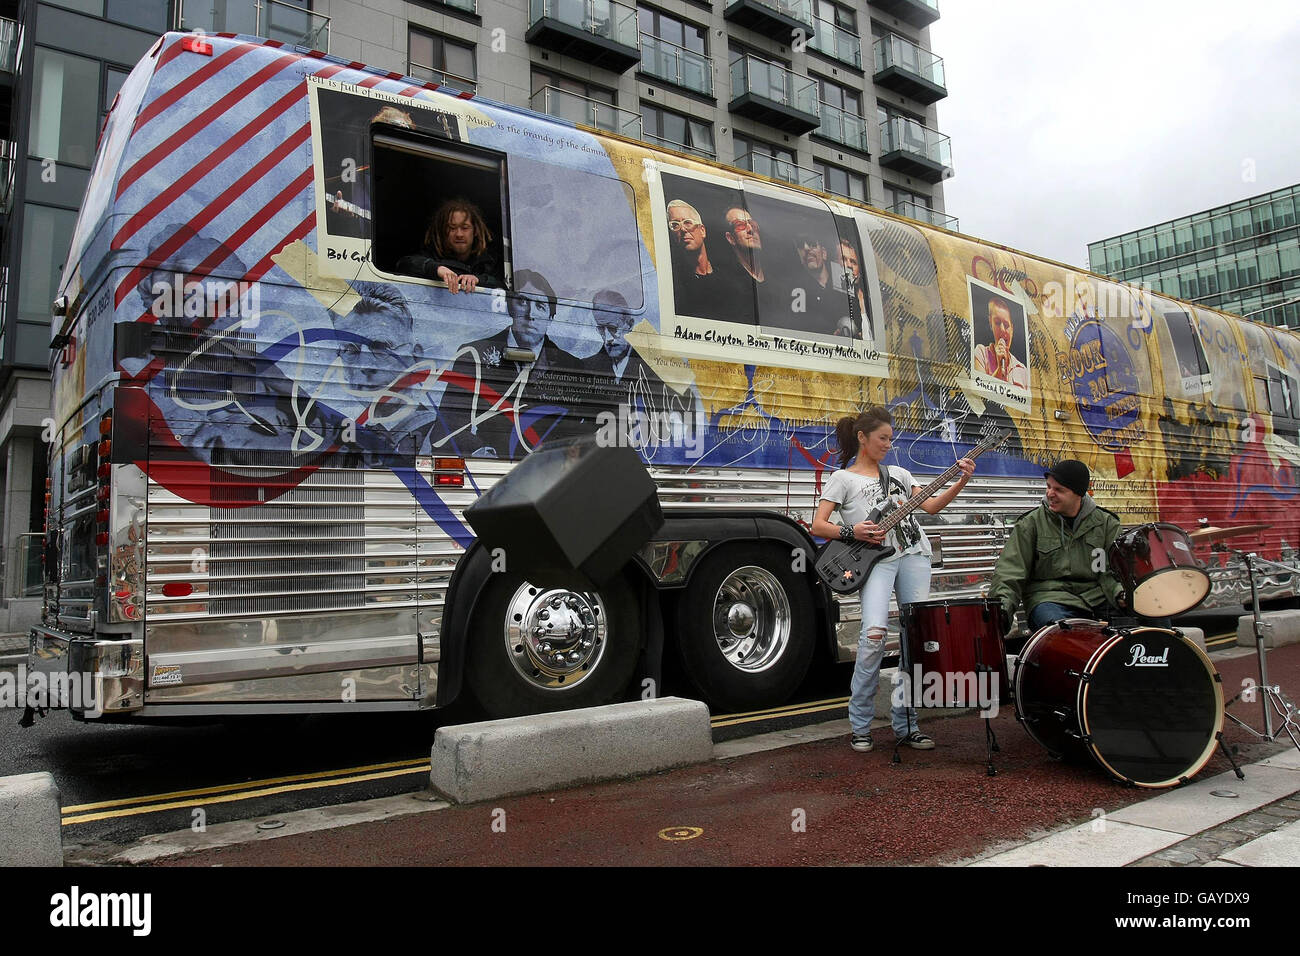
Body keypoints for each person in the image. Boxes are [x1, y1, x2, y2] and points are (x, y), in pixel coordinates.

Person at [811, 406, 975, 753]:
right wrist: (851, 529)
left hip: (914, 555)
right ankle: (860, 725)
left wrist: (961, 480)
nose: (888, 444)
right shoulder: (843, 479)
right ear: (862, 438)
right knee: (873, 636)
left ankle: (907, 724)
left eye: (890, 438)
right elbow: (818, 525)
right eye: (883, 438)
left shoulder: (899, 473)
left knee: (914, 639)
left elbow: (931, 507)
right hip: (876, 562)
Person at [436, 269, 585, 458]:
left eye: (540, 306)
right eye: (523, 302)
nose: (530, 314)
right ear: (510, 308)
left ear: (550, 317)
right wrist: (479, 451)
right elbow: (448, 425)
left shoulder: (571, 366)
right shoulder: (474, 354)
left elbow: (577, 431)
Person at [987, 459, 1124, 630]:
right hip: (1050, 599)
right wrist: (1001, 612)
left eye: (1059, 490)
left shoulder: (1106, 524)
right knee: (1061, 635)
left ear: (1078, 494)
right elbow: (1009, 572)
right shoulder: (1031, 524)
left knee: (1142, 626)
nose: (1050, 494)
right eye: (1048, 487)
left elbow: (1110, 572)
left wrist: (1121, 595)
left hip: (1096, 598)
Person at [397, 197, 500, 293]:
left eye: (465, 228)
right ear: (443, 231)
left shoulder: (488, 262)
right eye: (452, 228)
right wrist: (436, 269)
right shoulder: (432, 255)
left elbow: (504, 285)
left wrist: (478, 280)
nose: (459, 234)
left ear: (475, 231)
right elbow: (404, 264)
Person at [666, 199, 719, 317]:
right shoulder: (673, 283)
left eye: (688, 223)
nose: (683, 229)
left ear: (702, 231)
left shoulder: (726, 274)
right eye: (675, 225)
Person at [973, 297, 1030, 389]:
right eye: (997, 323)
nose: (1002, 330)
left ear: (1012, 329)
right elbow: (980, 394)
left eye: (1006, 325)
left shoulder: (1022, 370)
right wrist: (1000, 369)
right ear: (990, 323)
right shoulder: (981, 353)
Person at [838, 238, 872, 342]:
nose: (849, 265)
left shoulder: (870, 298)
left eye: (853, 262)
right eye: (843, 259)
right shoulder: (835, 298)